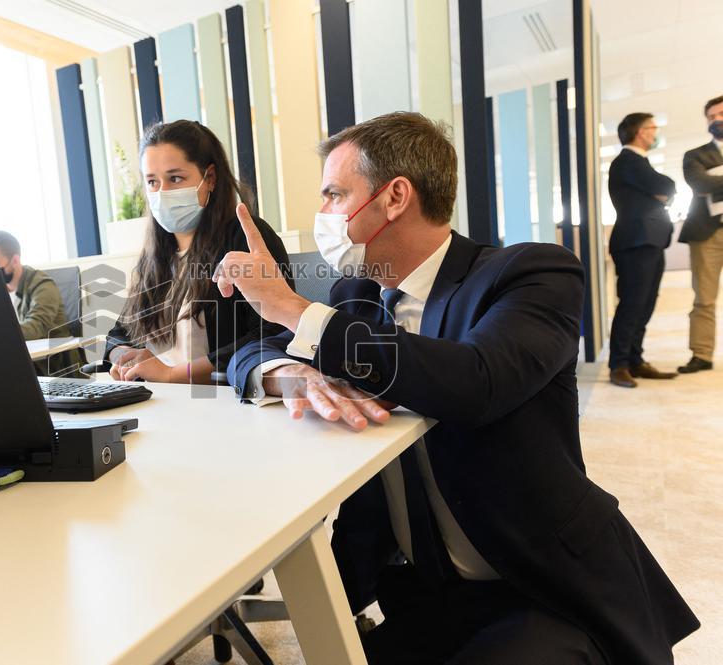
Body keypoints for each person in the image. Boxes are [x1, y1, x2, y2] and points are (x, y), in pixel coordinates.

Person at [218, 112, 698, 663]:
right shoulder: (354, 294)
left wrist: (293, 310)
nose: (322, 214)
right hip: (422, 592)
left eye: (333, 195)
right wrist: (283, 370)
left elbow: (477, 382)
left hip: (539, 586)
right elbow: (240, 356)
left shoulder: (529, 273)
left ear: (395, 197)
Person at [103, 120, 292, 384]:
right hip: (162, 398)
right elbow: (119, 333)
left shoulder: (244, 237)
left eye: (175, 178)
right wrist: (126, 357)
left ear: (210, 178)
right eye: (152, 182)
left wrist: (173, 374)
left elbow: (272, 333)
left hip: (218, 398)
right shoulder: (157, 255)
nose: (162, 192)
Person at [605, 113, 677, 388]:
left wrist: (660, 193)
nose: (655, 133)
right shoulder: (627, 161)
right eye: (652, 128)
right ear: (639, 132)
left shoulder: (639, 164)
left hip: (650, 240)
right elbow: (666, 186)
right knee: (633, 304)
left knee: (645, 304)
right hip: (635, 242)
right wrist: (660, 192)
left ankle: (635, 359)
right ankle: (619, 365)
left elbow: (664, 192)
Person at [0, 230, 82, 376]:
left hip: (52, 368)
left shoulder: (43, 285)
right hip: (23, 363)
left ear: (15, 260)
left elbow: (35, 327)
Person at [677, 94, 723, 374]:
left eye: (720, 114)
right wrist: (711, 180)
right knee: (704, 298)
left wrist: (715, 178)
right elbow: (699, 182)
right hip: (707, 234)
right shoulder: (695, 155)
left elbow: (711, 181)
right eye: (711, 116)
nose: (716, 119)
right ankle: (702, 354)